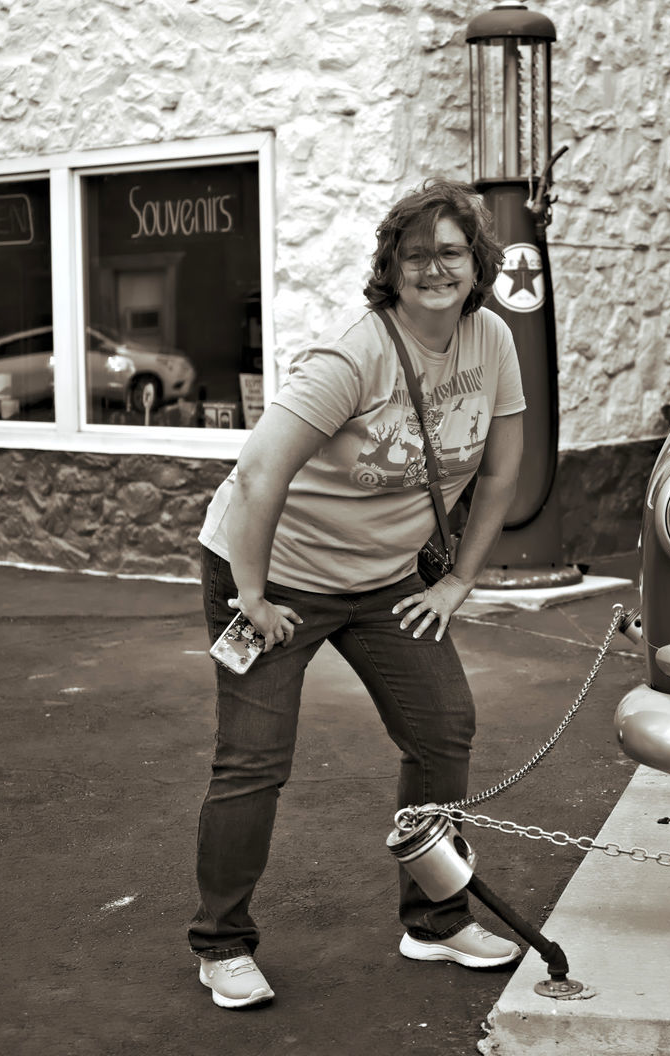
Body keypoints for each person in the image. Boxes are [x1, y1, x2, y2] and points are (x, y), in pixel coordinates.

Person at [188, 179, 526, 1009]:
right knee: (254, 762)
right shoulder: (355, 354)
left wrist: (457, 581)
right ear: (392, 267)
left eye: (451, 252)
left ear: (476, 263)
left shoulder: (491, 341)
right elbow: (261, 471)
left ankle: (435, 922)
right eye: (416, 255)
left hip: (383, 585)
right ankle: (222, 944)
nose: (434, 269)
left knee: (442, 731)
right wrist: (252, 593)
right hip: (278, 578)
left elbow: (504, 467)